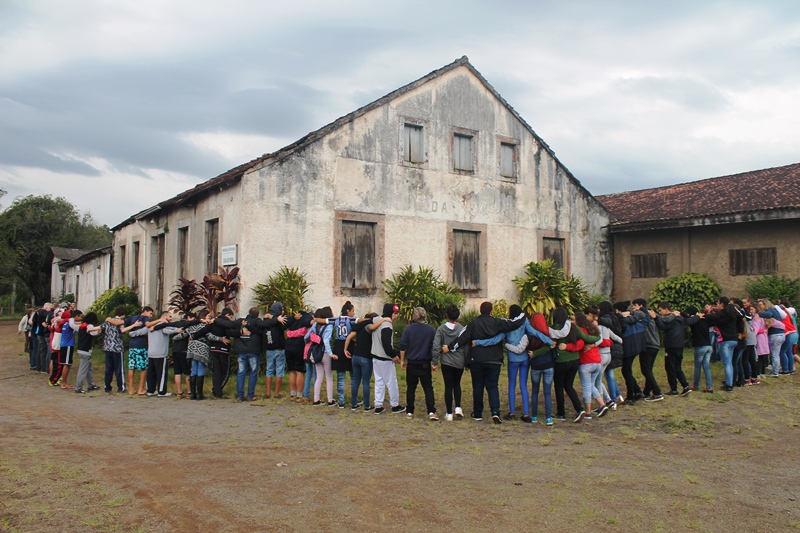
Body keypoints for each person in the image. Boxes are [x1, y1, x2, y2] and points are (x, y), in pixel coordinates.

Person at [474, 305, 552, 422]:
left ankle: (512, 413)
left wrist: (478, 342)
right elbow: (535, 333)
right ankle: (526, 414)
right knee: (523, 386)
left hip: (513, 359)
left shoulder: (508, 325)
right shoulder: (524, 322)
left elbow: (495, 339)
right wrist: (550, 341)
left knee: (511, 385)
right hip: (524, 359)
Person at [451, 301, 525, 424]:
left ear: (480, 311)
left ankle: (478, 413)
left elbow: (462, 338)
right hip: (494, 359)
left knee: (478, 386)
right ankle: (495, 412)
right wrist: (523, 315)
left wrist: (450, 347)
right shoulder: (497, 322)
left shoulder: (473, 323)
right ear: (491, 311)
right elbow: (513, 324)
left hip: (477, 359)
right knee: (493, 386)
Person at [399, 307, 438, 421]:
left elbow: (402, 346)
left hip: (412, 363)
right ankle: (431, 410)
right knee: (428, 388)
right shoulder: (430, 330)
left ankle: (410, 411)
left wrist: (402, 360)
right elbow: (434, 347)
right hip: (425, 363)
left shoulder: (408, 329)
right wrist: (435, 361)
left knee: (411, 388)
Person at [131, 311, 181, 397]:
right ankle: (162, 391)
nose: (171, 318)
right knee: (161, 374)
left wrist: (132, 333)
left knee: (151, 373)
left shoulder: (151, 325)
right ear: (164, 317)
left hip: (151, 353)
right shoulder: (163, 326)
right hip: (160, 354)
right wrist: (178, 330)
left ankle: (150, 390)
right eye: (169, 316)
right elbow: (169, 330)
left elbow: (140, 332)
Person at [432, 305, 468, 421]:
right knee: (457, 384)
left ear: (446, 315)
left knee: (448, 386)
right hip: (459, 361)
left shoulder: (441, 329)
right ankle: (458, 407)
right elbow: (466, 346)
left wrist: (435, 361)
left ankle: (449, 413)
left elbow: (436, 346)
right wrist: (467, 362)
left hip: (446, 361)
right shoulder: (462, 329)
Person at [345, 312, 386, 412]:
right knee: (366, 382)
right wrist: (383, 320)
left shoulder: (358, 328)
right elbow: (372, 328)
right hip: (365, 358)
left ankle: (354, 404)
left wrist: (345, 349)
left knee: (356, 381)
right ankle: (367, 405)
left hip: (355, 356)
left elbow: (349, 337)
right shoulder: (368, 326)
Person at [175, 310, 219, 400]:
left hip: (192, 350)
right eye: (209, 316)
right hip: (202, 350)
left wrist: (174, 338)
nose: (210, 318)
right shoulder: (206, 326)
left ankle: (192, 394)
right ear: (204, 317)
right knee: (201, 370)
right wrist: (221, 339)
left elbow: (183, 334)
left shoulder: (192, 326)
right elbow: (210, 336)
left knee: (193, 370)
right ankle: (199, 394)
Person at [371, 303, 406, 415]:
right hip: (384, 358)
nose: (395, 316)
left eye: (396, 313)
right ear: (389, 313)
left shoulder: (376, 319)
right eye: (394, 313)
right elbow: (386, 343)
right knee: (391, 382)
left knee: (379, 382)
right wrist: (393, 355)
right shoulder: (387, 325)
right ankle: (395, 405)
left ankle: (378, 405)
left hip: (375, 357)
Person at [574, 312, 610, 418]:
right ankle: (602, 404)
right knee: (591, 385)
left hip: (586, 362)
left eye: (573, 319)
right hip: (597, 361)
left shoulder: (580, 331)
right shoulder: (593, 329)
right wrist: (593, 345)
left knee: (587, 387)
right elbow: (600, 339)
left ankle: (590, 411)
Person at [651, 302, 690, 396]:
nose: (659, 312)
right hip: (679, 345)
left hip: (672, 346)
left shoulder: (671, 320)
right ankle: (685, 386)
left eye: (660, 310)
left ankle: (674, 389)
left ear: (666, 309)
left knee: (670, 367)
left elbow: (662, 326)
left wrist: (656, 318)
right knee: (677, 367)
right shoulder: (680, 319)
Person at [228, 307, 265, 402]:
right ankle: (250, 395)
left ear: (248, 313)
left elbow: (229, 330)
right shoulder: (257, 322)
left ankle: (240, 396)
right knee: (253, 373)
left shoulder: (240, 321)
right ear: (257, 315)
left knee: (241, 373)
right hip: (253, 350)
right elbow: (262, 331)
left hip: (241, 351)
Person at [702, 298, 740, 391]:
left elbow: (713, 318)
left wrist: (704, 315)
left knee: (726, 363)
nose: (716, 305)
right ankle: (729, 382)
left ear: (722, 304)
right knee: (729, 363)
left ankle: (729, 385)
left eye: (717, 303)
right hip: (734, 340)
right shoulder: (732, 314)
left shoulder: (723, 314)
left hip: (725, 341)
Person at [615, 301, 646, 403]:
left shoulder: (622, 320)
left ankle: (630, 396)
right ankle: (636, 390)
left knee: (626, 371)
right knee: (627, 370)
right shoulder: (635, 317)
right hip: (635, 346)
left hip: (628, 347)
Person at [99, 306, 133, 393]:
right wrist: (133, 325)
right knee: (119, 369)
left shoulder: (108, 321)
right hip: (117, 348)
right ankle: (121, 387)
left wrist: (90, 329)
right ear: (123, 314)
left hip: (108, 347)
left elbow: (100, 328)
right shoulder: (121, 322)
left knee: (109, 368)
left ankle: (107, 386)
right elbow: (123, 331)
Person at [635, 299, 663, 402]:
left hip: (648, 345)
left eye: (635, 306)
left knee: (645, 370)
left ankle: (657, 392)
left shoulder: (641, 314)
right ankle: (647, 392)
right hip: (655, 344)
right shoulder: (651, 315)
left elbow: (633, 314)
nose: (634, 308)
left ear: (640, 306)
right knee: (649, 370)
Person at [306, 307, 335, 406]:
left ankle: (316, 399)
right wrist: (330, 353)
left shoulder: (315, 325)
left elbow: (307, 336)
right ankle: (330, 400)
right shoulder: (329, 326)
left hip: (316, 352)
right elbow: (326, 340)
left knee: (319, 377)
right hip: (325, 353)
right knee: (329, 377)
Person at [598, 302, 624, 406]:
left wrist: (597, 320)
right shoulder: (614, 318)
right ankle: (618, 396)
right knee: (609, 374)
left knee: (608, 375)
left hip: (610, 350)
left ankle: (612, 400)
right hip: (614, 349)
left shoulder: (605, 321)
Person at [684, 306, 713, 392]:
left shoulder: (694, 321)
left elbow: (686, 318)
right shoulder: (705, 320)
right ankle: (709, 386)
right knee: (706, 366)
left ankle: (696, 385)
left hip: (700, 346)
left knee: (697, 366)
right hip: (709, 345)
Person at [285, 310, 313, 402]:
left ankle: (292, 394)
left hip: (288, 345)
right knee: (299, 371)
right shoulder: (306, 317)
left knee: (292, 370)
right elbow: (308, 322)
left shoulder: (293, 318)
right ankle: (299, 395)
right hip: (299, 346)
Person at [263, 302, 289, 399]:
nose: (283, 312)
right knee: (279, 370)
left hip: (269, 349)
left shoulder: (266, 320)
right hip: (279, 349)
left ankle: (268, 392)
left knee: (269, 370)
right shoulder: (280, 320)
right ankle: (277, 393)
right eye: (282, 309)